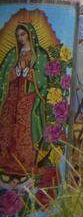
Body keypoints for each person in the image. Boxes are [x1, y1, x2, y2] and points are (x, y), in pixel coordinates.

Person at [0, 24, 51, 178]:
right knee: (7, 126)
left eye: (23, 34)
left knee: (26, 128)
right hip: (12, 97)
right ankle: (5, 162)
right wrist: (15, 72)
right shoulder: (12, 54)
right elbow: (3, 75)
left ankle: (26, 165)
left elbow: (43, 78)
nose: (20, 38)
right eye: (18, 35)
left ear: (29, 34)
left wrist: (29, 73)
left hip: (29, 98)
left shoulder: (40, 55)